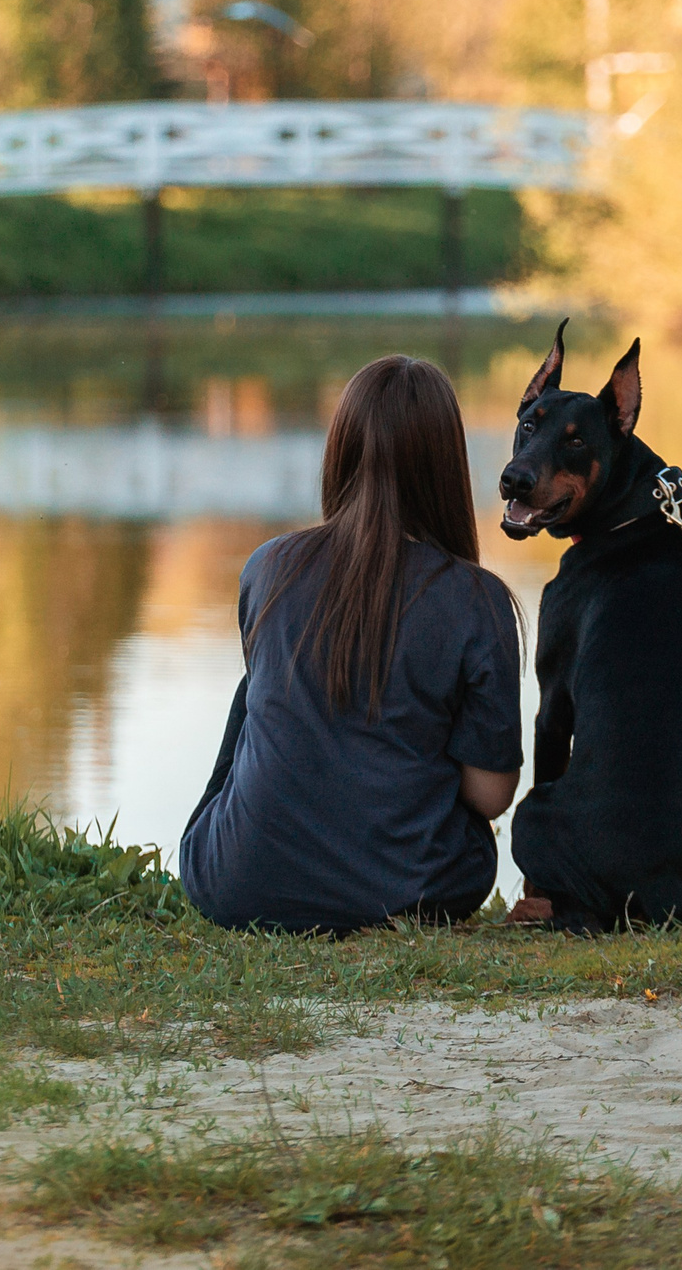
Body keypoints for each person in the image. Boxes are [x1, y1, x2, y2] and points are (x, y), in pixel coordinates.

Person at [181, 354, 524, 934]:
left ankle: (271, 853)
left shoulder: (269, 568)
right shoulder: (478, 600)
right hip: (412, 891)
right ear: (447, 467)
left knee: (259, 687)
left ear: (341, 453)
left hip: (238, 885)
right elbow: (490, 797)